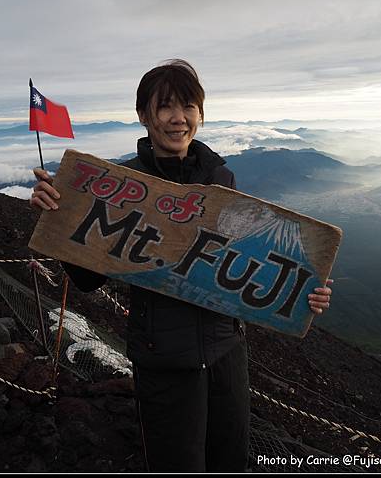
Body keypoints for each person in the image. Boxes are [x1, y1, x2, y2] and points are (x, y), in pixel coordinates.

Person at [30, 59, 333, 472]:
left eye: (189, 106)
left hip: (227, 352)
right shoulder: (122, 183)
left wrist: (303, 290)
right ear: (143, 116)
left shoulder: (220, 179)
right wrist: (60, 218)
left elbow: (249, 259)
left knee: (231, 460)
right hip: (165, 359)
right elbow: (86, 279)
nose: (179, 119)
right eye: (166, 107)